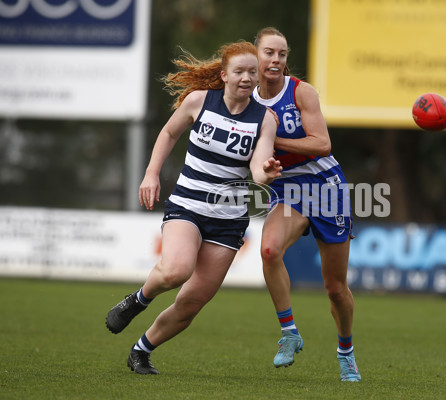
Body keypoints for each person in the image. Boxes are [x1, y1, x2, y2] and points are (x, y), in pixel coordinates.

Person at [105, 41, 282, 374]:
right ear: (224, 75)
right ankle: (138, 300)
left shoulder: (265, 119)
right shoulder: (199, 101)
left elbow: (258, 168)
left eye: (252, 72)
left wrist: (267, 174)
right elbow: (169, 132)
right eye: (239, 71)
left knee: (191, 304)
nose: (247, 78)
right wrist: (151, 174)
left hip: (228, 220)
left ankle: (141, 351)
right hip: (188, 205)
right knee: (176, 271)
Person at [251, 27, 361, 382]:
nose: (276, 60)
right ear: (256, 56)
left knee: (335, 288)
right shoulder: (246, 100)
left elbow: (322, 144)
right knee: (269, 250)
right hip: (288, 190)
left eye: (282, 54)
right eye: (269, 52)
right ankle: (289, 332)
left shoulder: (301, 91)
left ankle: (346, 351)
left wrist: (270, 138)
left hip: (325, 187)